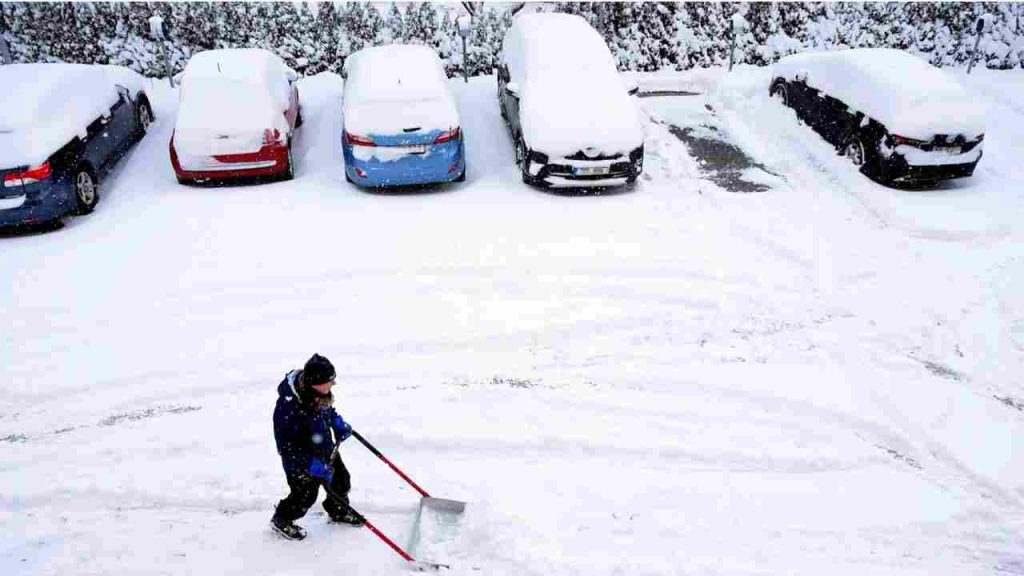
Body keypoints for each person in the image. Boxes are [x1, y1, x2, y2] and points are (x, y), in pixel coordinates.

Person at [271, 353, 364, 540]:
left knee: (341, 481)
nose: (332, 385)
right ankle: (282, 519)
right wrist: (310, 464)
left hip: (325, 450)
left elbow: (327, 411)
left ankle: (337, 510)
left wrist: (336, 422)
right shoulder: (287, 408)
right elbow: (286, 447)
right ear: (314, 382)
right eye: (328, 382)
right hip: (300, 462)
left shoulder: (319, 394)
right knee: (304, 496)